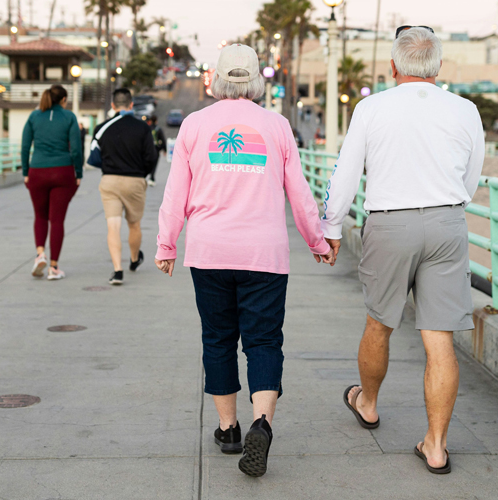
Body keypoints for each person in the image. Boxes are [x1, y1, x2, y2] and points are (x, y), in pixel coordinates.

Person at [155, 44, 335, 478]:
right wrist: (318, 240)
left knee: (218, 339)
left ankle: (229, 429)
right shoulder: (277, 126)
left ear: (216, 79)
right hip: (264, 254)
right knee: (264, 341)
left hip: (210, 252)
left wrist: (166, 244)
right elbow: (299, 192)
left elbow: (176, 192)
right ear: (257, 81)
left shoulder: (195, 125)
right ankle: (262, 424)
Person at [320, 26, 485, 475]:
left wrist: (331, 227)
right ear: (438, 67)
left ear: (393, 66)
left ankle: (368, 403)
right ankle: (436, 446)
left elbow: (346, 172)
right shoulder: (465, 110)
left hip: (390, 223)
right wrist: (447, 204)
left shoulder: (371, 108)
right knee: (439, 337)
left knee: (380, 322)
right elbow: (471, 176)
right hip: (447, 222)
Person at [93, 88, 157, 285]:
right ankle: (135, 259)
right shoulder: (142, 128)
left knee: (113, 226)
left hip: (110, 180)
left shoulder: (102, 128)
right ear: (131, 105)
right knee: (134, 224)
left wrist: (108, 167)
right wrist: (142, 174)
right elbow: (151, 156)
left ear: (113, 105)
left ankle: (117, 271)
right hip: (134, 180)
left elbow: (94, 157)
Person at [21, 84, 83, 280]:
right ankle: (54, 267)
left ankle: (40, 254)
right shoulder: (69, 117)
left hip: (37, 171)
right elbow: (76, 149)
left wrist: (25, 172)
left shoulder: (34, 116)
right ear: (64, 99)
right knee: (57, 220)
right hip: (62, 171)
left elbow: (25, 146)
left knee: (40, 216)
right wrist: (78, 172)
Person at [145, 115, 166, 186]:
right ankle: (152, 178)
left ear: (150, 121)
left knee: (147, 162)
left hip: (148, 149)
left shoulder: (147, 128)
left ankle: (145, 176)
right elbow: (163, 139)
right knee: (154, 164)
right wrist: (164, 149)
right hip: (156, 149)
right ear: (156, 121)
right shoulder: (158, 129)